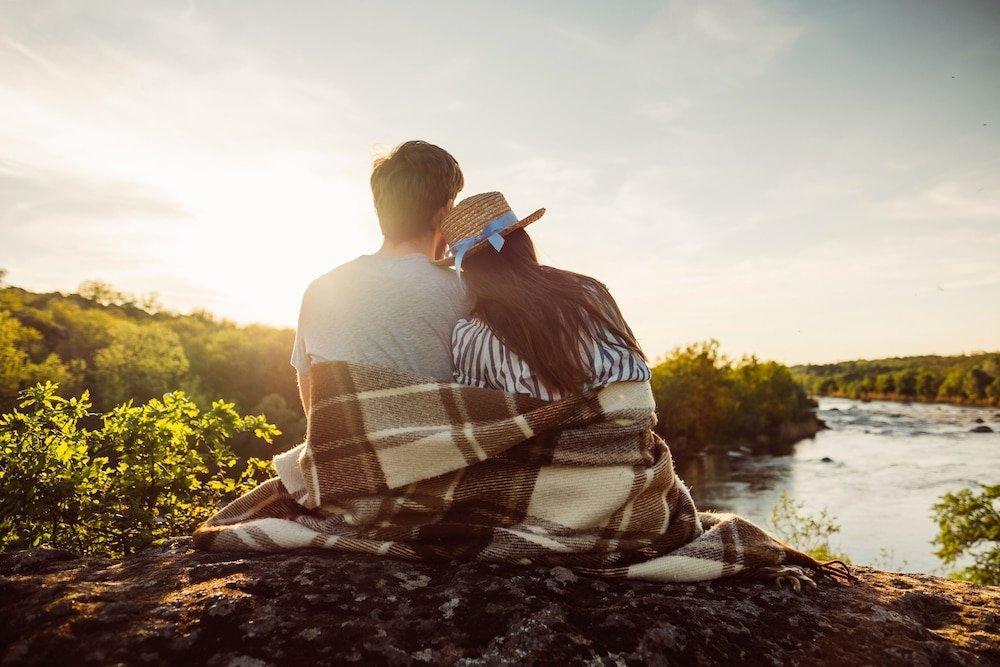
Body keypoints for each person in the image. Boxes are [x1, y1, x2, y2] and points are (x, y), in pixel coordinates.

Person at [291, 140, 470, 411]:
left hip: (340, 453)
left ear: (380, 209)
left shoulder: (320, 291)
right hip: (429, 451)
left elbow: (315, 414)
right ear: (444, 212)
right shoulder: (464, 289)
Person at [436, 192, 650, 401]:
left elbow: (481, 414)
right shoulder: (590, 292)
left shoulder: (470, 338)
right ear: (523, 241)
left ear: (469, 271)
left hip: (543, 437)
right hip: (624, 429)